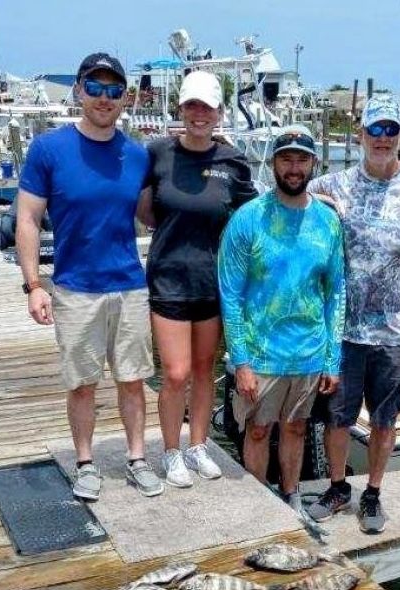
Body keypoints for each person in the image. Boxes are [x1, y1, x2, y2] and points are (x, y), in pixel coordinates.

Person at [16, 52, 163, 502]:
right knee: (81, 383)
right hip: (75, 288)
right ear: (79, 90)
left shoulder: (137, 155)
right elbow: (27, 219)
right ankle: (85, 462)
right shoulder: (48, 149)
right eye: (95, 88)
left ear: (126, 98)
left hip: (129, 286)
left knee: (133, 380)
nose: (104, 98)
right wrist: (34, 285)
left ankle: (137, 459)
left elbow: (151, 216)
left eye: (114, 90)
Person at [306, 94, 400, 534]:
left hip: (397, 332)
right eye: (375, 130)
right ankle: (337, 487)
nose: (383, 139)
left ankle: (372, 493)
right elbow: (282, 203)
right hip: (342, 330)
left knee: (386, 419)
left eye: (391, 130)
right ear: (361, 135)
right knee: (337, 417)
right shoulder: (329, 187)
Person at [218, 125, 345, 515]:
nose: (294, 167)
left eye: (301, 159)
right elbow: (230, 294)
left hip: (309, 351)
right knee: (257, 430)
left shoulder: (328, 221)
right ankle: (259, 505)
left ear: (313, 164)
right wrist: (240, 361)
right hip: (260, 354)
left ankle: (291, 496)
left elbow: (335, 292)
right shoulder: (248, 218)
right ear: (273, 164)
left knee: (296, 428)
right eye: (286, 159)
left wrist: (332, 358)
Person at [140, 70, 257, 489]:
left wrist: (314, 201)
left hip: (213, 282)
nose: (199, 114)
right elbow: (143, 209)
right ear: (181, 109)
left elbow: (256, 214)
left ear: (220, 112)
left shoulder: (233, 162)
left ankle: (199, 445)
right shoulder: (156, 153)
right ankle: (171, 451)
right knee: (174, 373)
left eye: (207, 107)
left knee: (205, 370)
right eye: (192, 105)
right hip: (168, 279)